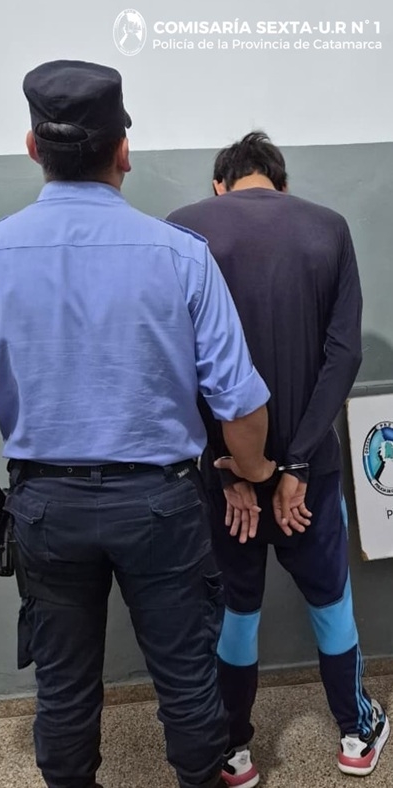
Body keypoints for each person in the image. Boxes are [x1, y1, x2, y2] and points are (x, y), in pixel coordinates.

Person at [0, 64, 274, 788]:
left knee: (62, 687)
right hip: (161, 505)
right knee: (187, 679)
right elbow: (240, 405)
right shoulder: (182, 257)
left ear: (34, 146)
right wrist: (250, 472)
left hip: (45, 507)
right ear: (123, 150)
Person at [168, 131, 389, 788]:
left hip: (222, 482)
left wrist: (226, 466)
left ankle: (233, 751)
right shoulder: (328, 227)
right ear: (282, 183)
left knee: (236, 611)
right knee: (330, 601)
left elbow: (175, 362)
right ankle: (356, 735)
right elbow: (344, 354)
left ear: (219, 184)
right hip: (308, 476)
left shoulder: (183, 230)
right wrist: (296, 466)